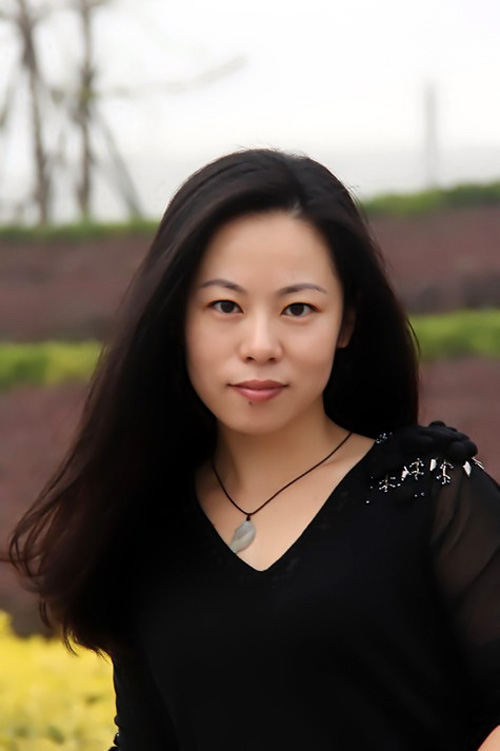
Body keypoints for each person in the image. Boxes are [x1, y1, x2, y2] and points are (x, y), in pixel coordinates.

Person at [3, 147, 500, 751]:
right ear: (177, 319)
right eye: (225, 307)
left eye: (298, 308)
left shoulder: (427, 493)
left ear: (346, 321)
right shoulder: (144, 527)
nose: (260, 344)